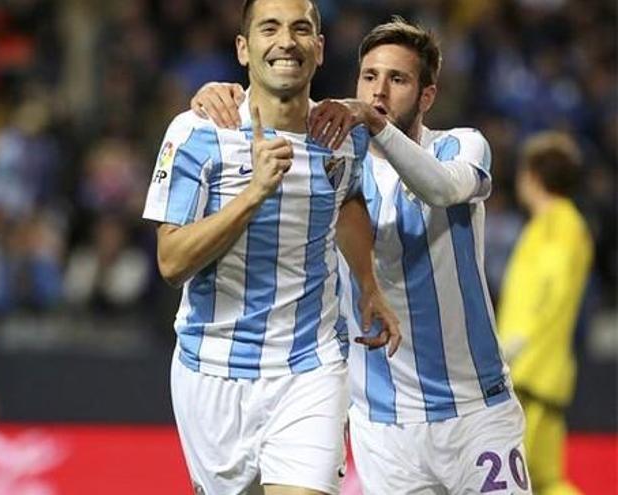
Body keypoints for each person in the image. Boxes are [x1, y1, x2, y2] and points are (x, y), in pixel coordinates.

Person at [192, 17, 531, 494]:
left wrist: (375, 126)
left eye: (398, 79)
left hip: (476, 410)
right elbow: (269, 111)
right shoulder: (336, 166)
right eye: (370, 77)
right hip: (382, 425)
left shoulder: (461, 145)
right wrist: (214, 97)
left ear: (426, 95)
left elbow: (440, 189)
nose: (379, 91)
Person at [143, 1, 401, 494]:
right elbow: (172, 262)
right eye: (270, 28)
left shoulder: (343, 138)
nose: (287, 41)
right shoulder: (198, 133)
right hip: (212, 370)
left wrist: (369, 285)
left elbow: (346, 202)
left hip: (311, 366)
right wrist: (255, 191)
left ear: (320, 49)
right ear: (244, 48)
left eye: (302, 28)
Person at [498, 132, 592, 495]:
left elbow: (549, 291)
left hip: (531, 373)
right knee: (543, 478)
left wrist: (515, 345)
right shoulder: (553, 224)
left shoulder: (559, 223)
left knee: (522, 478)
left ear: (533, 175)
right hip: (539, 372)